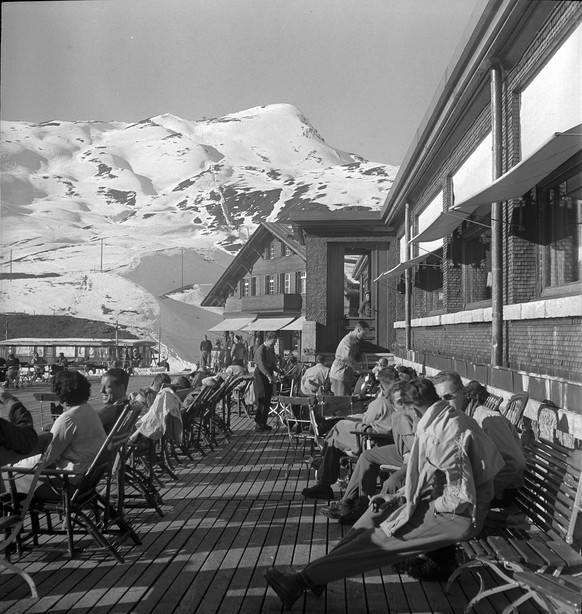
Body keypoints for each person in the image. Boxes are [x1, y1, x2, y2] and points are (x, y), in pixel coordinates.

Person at [264, 378, 504, 609]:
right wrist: (400, 497)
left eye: (404, 410)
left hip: (458, 515)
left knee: (378, 541)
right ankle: (317, 573)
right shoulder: (439, 419)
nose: (403, 416)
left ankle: (301, 581)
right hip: (444, 502)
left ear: (413, 408)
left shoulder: (447, 434)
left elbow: (460, 496)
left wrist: (421, 507)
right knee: (374, 516)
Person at [320, 380, 421, 524]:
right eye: (400, 402)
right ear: (392, 404)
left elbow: (413, 447)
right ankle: (355, 503)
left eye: (406, 400)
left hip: (414, 454)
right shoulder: (397, 415)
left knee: (339, 430)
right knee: (366, 456)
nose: (405, 405)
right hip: (400, 449)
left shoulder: (408, 414)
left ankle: (363, 510)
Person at [302, 367, 399, 500]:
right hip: (390, 442)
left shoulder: (381, 402)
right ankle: (324, 469)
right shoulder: (401, 401)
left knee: (339, 429)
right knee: (339, 435)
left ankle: (324, 472)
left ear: (381, 386)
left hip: (373, 443)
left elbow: (367, 420)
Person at [13, 370, 107, 500]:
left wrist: (13, 465)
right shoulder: (89, 411)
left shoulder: (69, 419)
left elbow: (45, 458)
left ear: (60, 394)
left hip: (68, 486)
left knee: (8, 482)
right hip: (86, 482)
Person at [459, 378, 526, 505]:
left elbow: (515, 463)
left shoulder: (489, 420)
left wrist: (485, 493)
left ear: (468, 397)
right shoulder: (471, 418)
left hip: (503, 492)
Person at [328, 321, 369, 396]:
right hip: (340, 373)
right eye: (364, 333)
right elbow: (347, 359)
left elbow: (353, 356)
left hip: (346, 374)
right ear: (359, 330)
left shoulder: (355, 340)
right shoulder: (348, 341)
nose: (365, 336)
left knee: (347, 400)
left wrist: (360, 356)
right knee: (342, 401)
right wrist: (359, 369)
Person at [253, 332, 280, 433]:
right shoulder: (261, 349)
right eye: (272, 343)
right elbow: (261, 364)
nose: (273, 345)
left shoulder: (270, 349)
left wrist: (278, 370)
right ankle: (258, 423)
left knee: (268, 397)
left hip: (268, 373)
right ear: (267, 339)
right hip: (261, 374)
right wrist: (268, 376)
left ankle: (263, 422)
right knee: (262, 398)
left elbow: (271, 363)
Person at [97, 367, 131, 433]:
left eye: (107, 387)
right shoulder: (129, 407)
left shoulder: (111, 411)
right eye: (102, 386)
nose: (101, 390)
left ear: (121, 388)